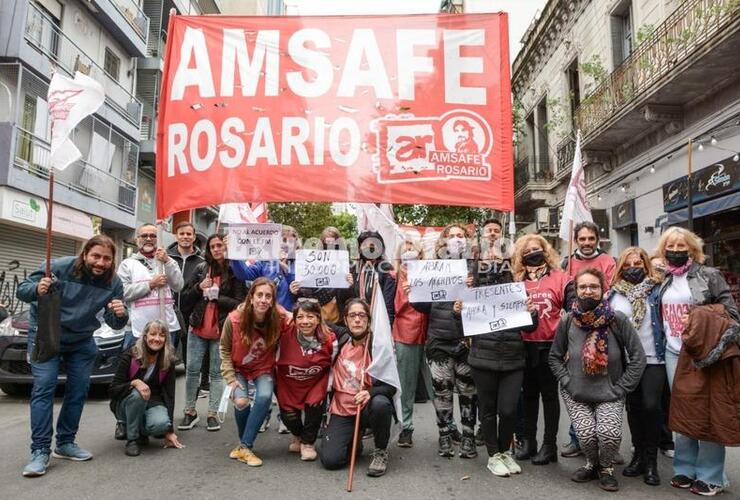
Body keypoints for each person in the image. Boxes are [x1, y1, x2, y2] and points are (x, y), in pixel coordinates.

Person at [17, 235, 128, 477]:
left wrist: (120, 314)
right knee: (44, 389)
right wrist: (37, 288)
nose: (100, 262)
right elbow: (22, 291)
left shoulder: (114, 283)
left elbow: (115, 323)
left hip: (81, 340)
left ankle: (65, 443)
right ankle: (40, 451)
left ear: (112, 260)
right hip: (48, 335)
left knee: (78, 391)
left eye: (106, 258)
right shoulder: (57, 267)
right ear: (85, 253)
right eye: (96, 256)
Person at [656, 227, 739, 496]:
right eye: (671, 246)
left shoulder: (710, 275)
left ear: (692, 249)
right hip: (673, 353)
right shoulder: (663, 278)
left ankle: (711, 475)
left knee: (710, 411)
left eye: (682, 246)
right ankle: (684, 468)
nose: (676, 251)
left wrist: (698, 318)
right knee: (683, 410)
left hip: (705, 354)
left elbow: (733, 316)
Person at [550, 268, 646, 492]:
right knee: (585, 435)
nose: (588, 291)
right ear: (576, 290)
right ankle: (592, 464)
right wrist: (567, 381)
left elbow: (638, 357)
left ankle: (606, 468)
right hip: (576, 391)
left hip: (610, 391)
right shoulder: (567, 321)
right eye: (583, 287)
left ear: (603, 290)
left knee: (608, 434)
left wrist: (622, 387)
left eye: (594, 286)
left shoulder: (617, 319)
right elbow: (554, 357)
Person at [461, 265, 539, 477]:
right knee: (488, 410)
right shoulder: (470, 293)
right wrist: (457, 311)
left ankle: (505, 452)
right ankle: (494, 455)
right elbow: (461, 327)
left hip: (513, 360)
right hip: (483, 361)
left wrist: (533, 312)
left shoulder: (517, 291)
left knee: (508, 410)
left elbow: (530, 327)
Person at [411, 224, 477, 459]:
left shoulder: (477, 267)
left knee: (469, 392)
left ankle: (469, 438)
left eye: (461, 236)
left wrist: (474, 286)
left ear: (467, 241)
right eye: (452, 236)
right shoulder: (431, 267)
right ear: (443, 241)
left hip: (467, 340)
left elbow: (488, 301)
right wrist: (414, 292)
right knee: (442, 393)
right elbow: (421, 306)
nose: (456, 240)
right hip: (438, 341)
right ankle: (445, 436)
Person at [512, 234, 573, 465]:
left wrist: (567, 344)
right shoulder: (516, 281)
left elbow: (573, 313)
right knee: (528, 395)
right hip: (524, 345)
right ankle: (529, 441)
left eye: (536, 249)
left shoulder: (562, 279)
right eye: (527, 251)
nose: (532, 254)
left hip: (550, 346)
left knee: (549, 396)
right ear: (520, 255)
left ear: (546, 251)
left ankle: (549, 445)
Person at [319, 299, 396, 477]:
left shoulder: (378, 346)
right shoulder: (341, 337)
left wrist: (370, 392)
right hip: (342, 409)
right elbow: (313, 319)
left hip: (368, 408)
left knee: (381, 404)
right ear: (345, 320)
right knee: (331, 460)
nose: (357, 320)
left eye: (362, 315)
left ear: (369, 320)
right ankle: (355, 437)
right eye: (352, 316)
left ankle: (380, 451)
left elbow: (391, 386)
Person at [607, 247, 664, 486]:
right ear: (621, 267)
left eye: (637, 263)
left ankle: (651, 461)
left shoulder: (658, 289)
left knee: (651, 406)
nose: (633, 268)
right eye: (628, 264)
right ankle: (638, 456)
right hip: (627, 360)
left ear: (646, 265)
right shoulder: (613, 294)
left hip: (653, 358)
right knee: (634, 407)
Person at [559, 221, 616, 458]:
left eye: (590, 239)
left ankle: (607, 443)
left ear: (597, 239)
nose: (586, 243)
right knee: (579, 382)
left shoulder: (608, 262)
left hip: (604, 327)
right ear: (576, 240)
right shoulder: (568, 262)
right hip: (576, 326)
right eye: (581, 239)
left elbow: (611, 290)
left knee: (603, 382)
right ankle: (578, 438)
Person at [179, 234, 246, 432]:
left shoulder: (235, 272)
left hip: (221, 331)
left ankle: (212, 414)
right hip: (197, 328)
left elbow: (241, 303)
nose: (217, 249)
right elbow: (185, 299)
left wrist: (218, 297)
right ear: (208, 250)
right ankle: (189, 411)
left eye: (220, 245)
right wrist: (200, 288)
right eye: (213, 246)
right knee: (192, 371)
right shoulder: (201, 269)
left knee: (217, 374)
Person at [220, 277, 286, 466]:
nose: (263, 300)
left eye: (268, 296)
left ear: (273, 300)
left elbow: (296, 317)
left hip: (262, 368)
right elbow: (223, 349)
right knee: (241, 401)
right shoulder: (234, 319)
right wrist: (230, 378)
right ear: (251, 297)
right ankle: (245, 445)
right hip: (238, 367)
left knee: (265, 396)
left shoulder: (277, 317)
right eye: (260, 295)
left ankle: (244, 446)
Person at [108, 320, 184, 456]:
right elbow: (113, 389)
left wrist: (169, 430)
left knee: (161, 424)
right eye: (153, 334)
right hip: (126, 402)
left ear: (166, 339)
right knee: (138, 394)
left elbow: (169, 394)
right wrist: (134, 383)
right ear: (145, 337)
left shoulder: (168, 360)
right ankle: (132, 439)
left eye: (161, 335)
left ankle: (141, 430)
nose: (157, 339)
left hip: (153, 401)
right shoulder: (130, 355)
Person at [276, 298, 337, 461]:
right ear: (294, 319)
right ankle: (297, 435)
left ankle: (308, 443)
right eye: (301, 317)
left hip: (315, 382)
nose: (305, 321)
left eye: (310, 317)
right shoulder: (282, 335)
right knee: (289, 416)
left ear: (318, 318)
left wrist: (330, 385)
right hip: (288, 383)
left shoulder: (329, 338)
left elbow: (334, 363)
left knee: (315, 407)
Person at [391, 239, 433, 448]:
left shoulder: (431, 274)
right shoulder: (394, 276)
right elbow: (391, 307)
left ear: (420, 253)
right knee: (406, 386)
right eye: (405, 248)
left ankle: (448, 425)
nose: (409, 251)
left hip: (431, 334)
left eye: (412, 248)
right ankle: (406, 427)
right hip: (405, 335)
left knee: (439, 385)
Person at [118, 223, 184, 349]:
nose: (148, 239)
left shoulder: (169, 261)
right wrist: (151, 284)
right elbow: (123, 293)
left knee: (165, 366)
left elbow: (178, 286)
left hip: (167, 328)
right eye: (144, 236)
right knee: (136, 367)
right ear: (137, 239)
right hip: (138, 330)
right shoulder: (127, 264)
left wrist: (167, 261)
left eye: (153, 236)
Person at [167, 221, 207, 393]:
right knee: (166, 359)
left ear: (194, 236)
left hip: (192, 316)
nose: (185, 237)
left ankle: (193, 398)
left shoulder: (202, 261)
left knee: (191, 362)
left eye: (188, 234)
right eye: (182, 234)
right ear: (176, 235)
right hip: (169, 315)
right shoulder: (166, 258)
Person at [231, 225, 300, 311]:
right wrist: (234, 255)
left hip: (288, 317)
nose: (286, 244)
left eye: (290, 241)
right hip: (266, 315)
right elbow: (243, 274)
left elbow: (303, 290)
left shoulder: (301, 264)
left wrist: (286, 269)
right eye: (283, 240)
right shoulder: (265, 262)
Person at [294, 226, 354, 325]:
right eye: (326, 245)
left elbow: (351, 297)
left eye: (334, 245)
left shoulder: (347, 264)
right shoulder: (312, 262)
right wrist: (297, 290)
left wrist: (350, 285)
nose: (330, 248)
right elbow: (306, 290)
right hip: (317, 316)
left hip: (339, 318)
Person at [351, 231, 396, 325]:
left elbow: (388, 303)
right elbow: (347, 299)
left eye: (373, 244)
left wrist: (387, 325)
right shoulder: (354, 269)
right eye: (364, 244)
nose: (369, 247)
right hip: (356, 321)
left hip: (378, 321)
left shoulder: (386, 269)